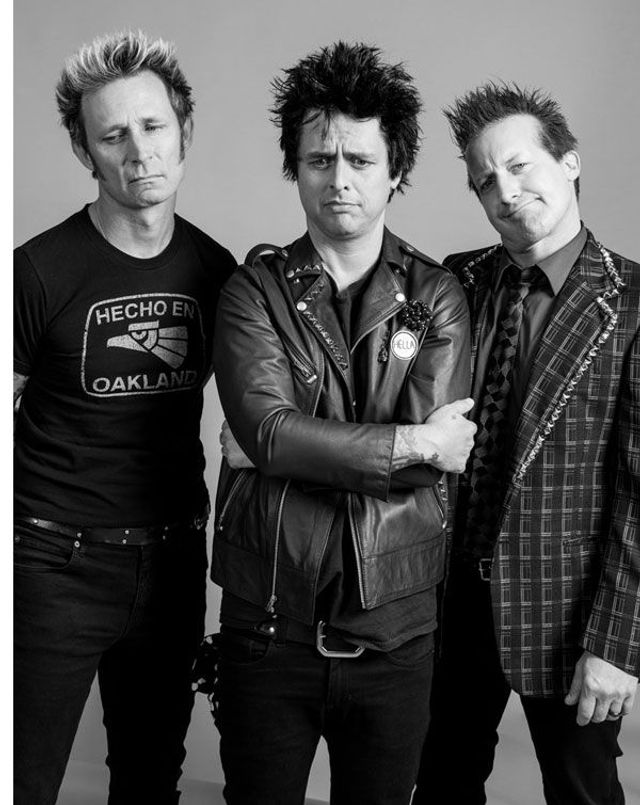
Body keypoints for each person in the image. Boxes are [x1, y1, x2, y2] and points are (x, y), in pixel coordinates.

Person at [205, 41, 476, 804]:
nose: (340, 179)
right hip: (268, 623)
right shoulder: (252, 290)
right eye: (320, 159)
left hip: (396, 627)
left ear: (395, 170)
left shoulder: (438, 296)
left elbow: (283, 443)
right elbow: (270, 432)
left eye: (360, 159)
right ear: (294, 167)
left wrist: (287, 443)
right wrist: (412, 441)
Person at [13, 31, 236, 805]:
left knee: (150, 780)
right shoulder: (37, 271)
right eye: (113, 136)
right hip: (51, 563)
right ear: (86, 151)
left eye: (153, 126)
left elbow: (253, 413)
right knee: (21, 777)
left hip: (172, 562)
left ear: (184, 132)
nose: (139, 151)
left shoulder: (215, 271)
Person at [412, 82, 640, 805]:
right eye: (485, 180)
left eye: (519, 166)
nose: (505, 192)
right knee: (440, 783)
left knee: (582, 791)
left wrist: (617, 644)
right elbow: (382, 379)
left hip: (566, 612)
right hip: (447, 599)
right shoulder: (453, 280)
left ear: (569, 162)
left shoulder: (632, 303)